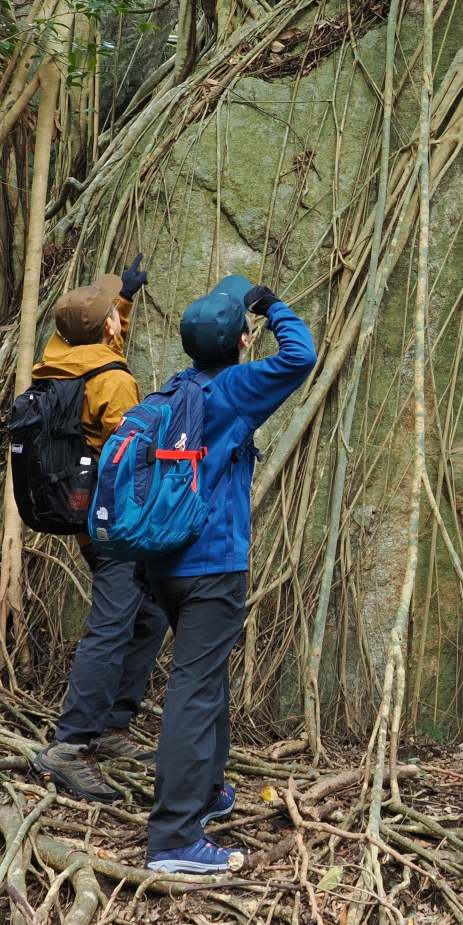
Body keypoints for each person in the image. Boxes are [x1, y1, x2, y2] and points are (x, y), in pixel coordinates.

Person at [143, 275, 316, 875]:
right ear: (242, 341)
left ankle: (208, 792)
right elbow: (302, 355)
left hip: (161, 564)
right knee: (192, 690)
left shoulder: (173, 390)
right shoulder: (237, 388)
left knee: (206, 677)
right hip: (212, 567)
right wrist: (269, 305)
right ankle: (173, 837)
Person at [30, 257, 170, 803]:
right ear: (105, 326)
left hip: (85, 516)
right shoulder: (113, 382)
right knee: (113, 625)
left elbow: (101, 352)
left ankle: (111, 727)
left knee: (149, 611)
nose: (117, 316)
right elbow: (130, 457)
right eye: (113, 311)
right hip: (115, 521)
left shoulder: (58, 356)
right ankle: (71, 744)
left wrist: (123, 301)